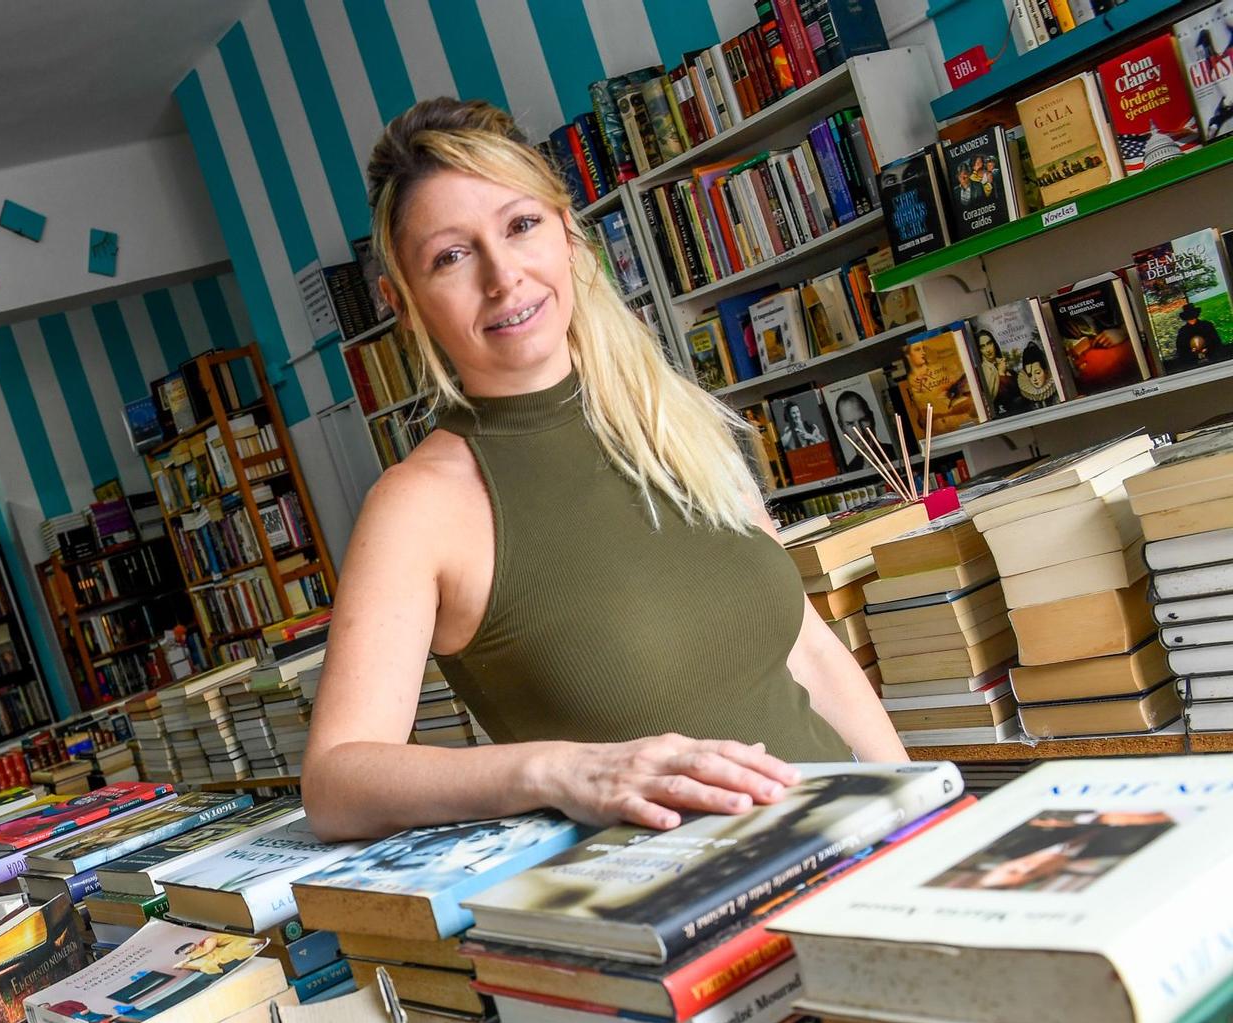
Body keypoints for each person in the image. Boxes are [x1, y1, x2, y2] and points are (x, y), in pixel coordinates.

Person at [302, 99, 904, 842]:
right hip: (692, 920)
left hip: (866, 847)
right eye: (451, 257)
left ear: (569, 237)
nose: (503, 277)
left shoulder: (667, 411)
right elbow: (336, 781)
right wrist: (559, 771)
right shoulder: (418, 505)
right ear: (405, 304)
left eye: (521, 226)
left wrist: (922, 813)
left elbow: (808, 648)